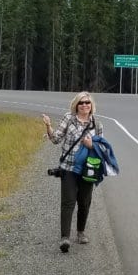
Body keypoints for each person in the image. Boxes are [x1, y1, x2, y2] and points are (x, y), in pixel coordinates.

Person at [42, 92, 101, 252]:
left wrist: (91, 146)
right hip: (68, 168)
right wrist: (48, 126)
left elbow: (101, 148)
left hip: (87, 170)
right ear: (76, 105)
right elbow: (55, 139)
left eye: (87, 103)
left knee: (84, 202)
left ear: (91, 105)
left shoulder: (97, 124)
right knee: (68, 202)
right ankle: (65, 238)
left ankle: (80, 233)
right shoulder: (68, 118)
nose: (84, 105)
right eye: (81, 103)